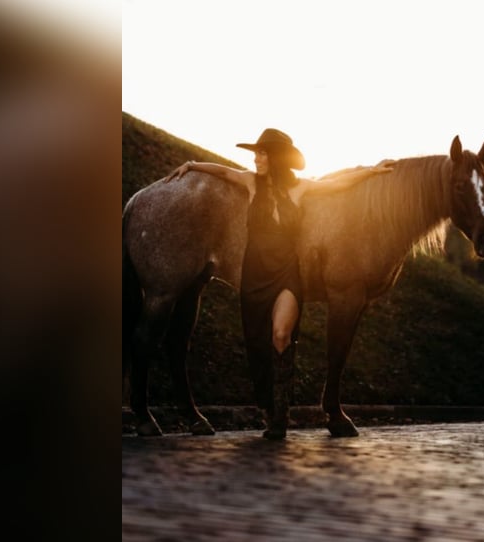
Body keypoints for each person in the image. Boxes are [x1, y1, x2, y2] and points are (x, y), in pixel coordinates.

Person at [165, 128, 394, 439]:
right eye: (256, 154)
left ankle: (279, 418)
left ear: (275, 158)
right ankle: (269, 408)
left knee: (281, 334)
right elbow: (221, 171)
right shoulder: (249, 181)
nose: (256, 159)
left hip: (286, 271)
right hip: (255, 274)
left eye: (262, 153)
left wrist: (370, 171)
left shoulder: (299, 188)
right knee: (259, 344)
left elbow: (334, 184)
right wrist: (192, 165)